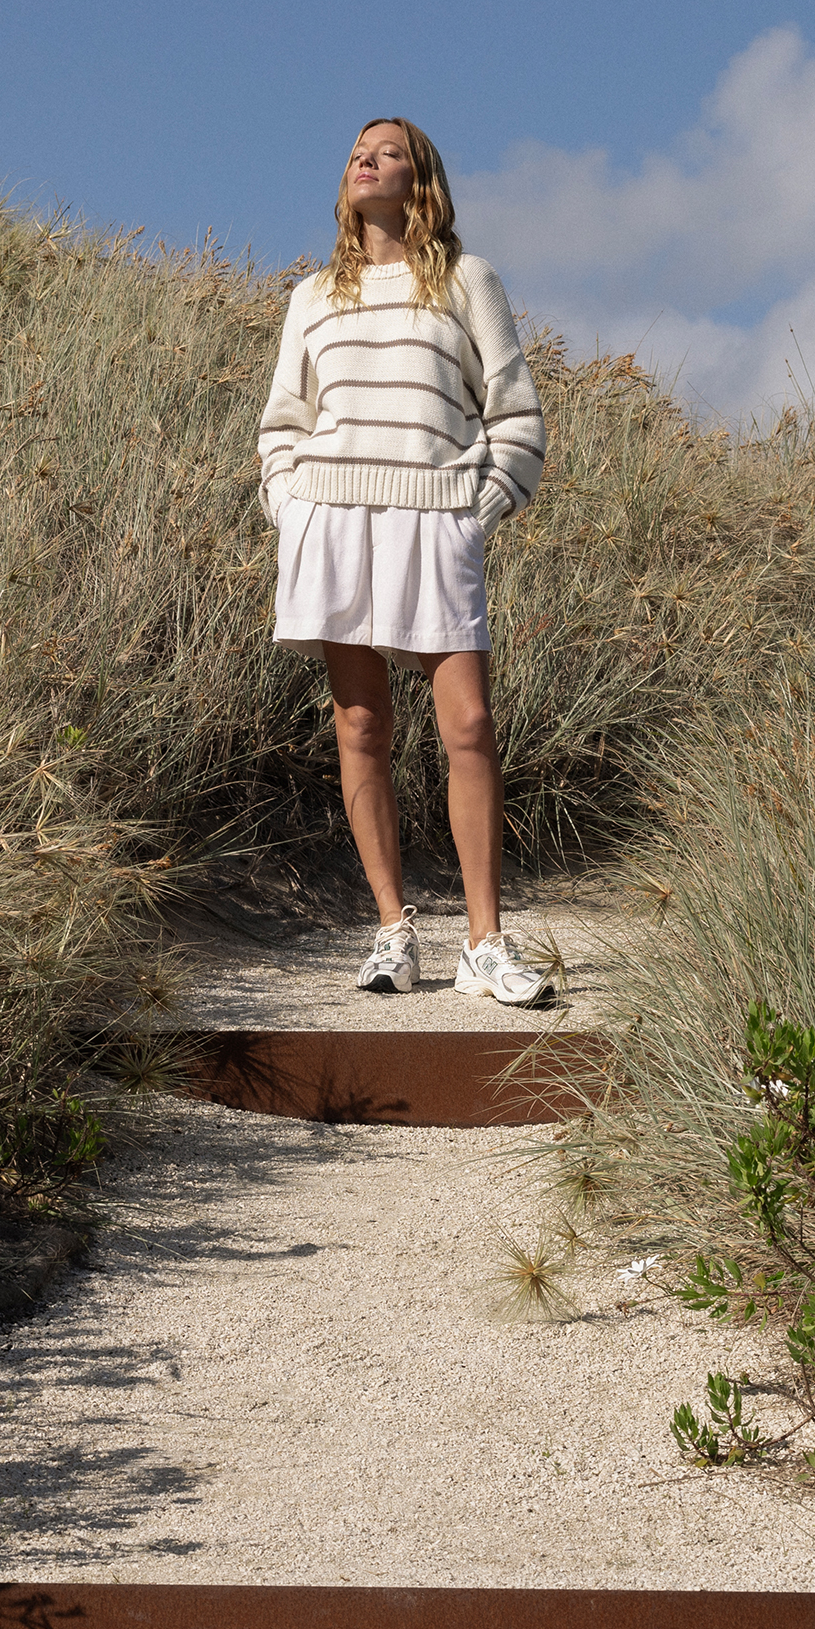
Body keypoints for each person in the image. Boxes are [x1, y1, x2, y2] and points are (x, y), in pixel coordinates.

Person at [257, 117, 550, 1005]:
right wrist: (292, 508)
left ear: (418, 176)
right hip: (332, 519)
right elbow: (282, 424)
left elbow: (517, 417)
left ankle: (484, 944)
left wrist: (476, 510)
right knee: (361, 727)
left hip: (436, 521)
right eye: (353, 149)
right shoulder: (312, 295)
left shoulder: (467, 280)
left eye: (384, 151)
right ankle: (393, 932)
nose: (363, 159)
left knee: (469, 726)